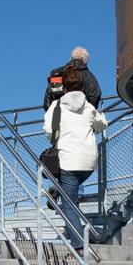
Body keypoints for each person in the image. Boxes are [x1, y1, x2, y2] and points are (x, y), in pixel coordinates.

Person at [43, 87, 106, 241]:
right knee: (71, 197)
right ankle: (59, 189)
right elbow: (102, 125)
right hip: (88, 162)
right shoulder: (88, 106)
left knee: (69, 206)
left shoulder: (57, 105)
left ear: (64, 89)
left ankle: (78, 246)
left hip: (68, 160)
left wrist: (58, 136)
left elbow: (49, 131)